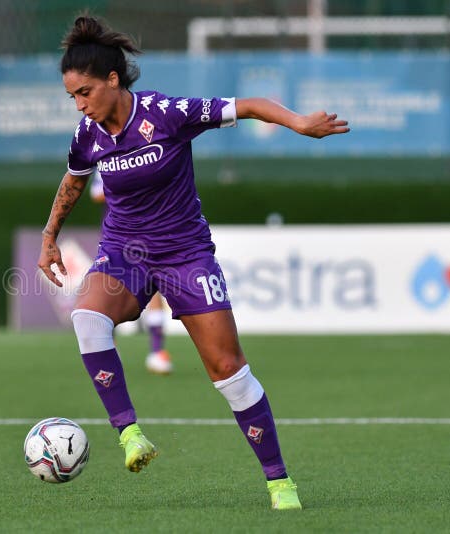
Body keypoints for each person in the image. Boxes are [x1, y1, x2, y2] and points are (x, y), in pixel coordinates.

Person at [37, 15, 350, 510]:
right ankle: (130, 434)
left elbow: (245, 105)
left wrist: (298, 122)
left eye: (85, 92)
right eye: (72, 96)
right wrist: (50, 235)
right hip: (125, 253)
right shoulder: (88, 135)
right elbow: (74, 180)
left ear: (113, 79)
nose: (80, 104)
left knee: (228, 370)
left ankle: (278, 481)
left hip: (186, 254)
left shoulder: (166, 112)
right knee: (87, 317)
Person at [90, 169, 173, 375]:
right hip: (116, 236)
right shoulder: (107, 157)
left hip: (148, 232)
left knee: (153, 285)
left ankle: (157, 351)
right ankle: (111, 349)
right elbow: (96, 193)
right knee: (111, 287)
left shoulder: (149, 152)